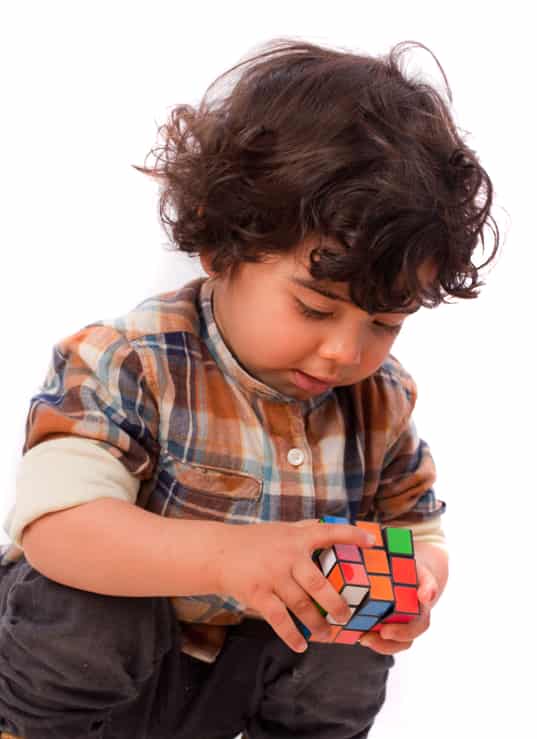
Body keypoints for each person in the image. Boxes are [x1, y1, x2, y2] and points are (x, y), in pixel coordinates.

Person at [0, 38, 498, 739]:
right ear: (223, 247)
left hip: (227, 680)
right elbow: (59, 529)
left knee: (343, 645)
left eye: (384, 323)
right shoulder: (129, 361)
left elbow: (417, 532)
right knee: (85, 610)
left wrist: (418, 582)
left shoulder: (379, 402)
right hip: (90, 673)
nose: (345, 350)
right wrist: (226, 559)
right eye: (315, 308)